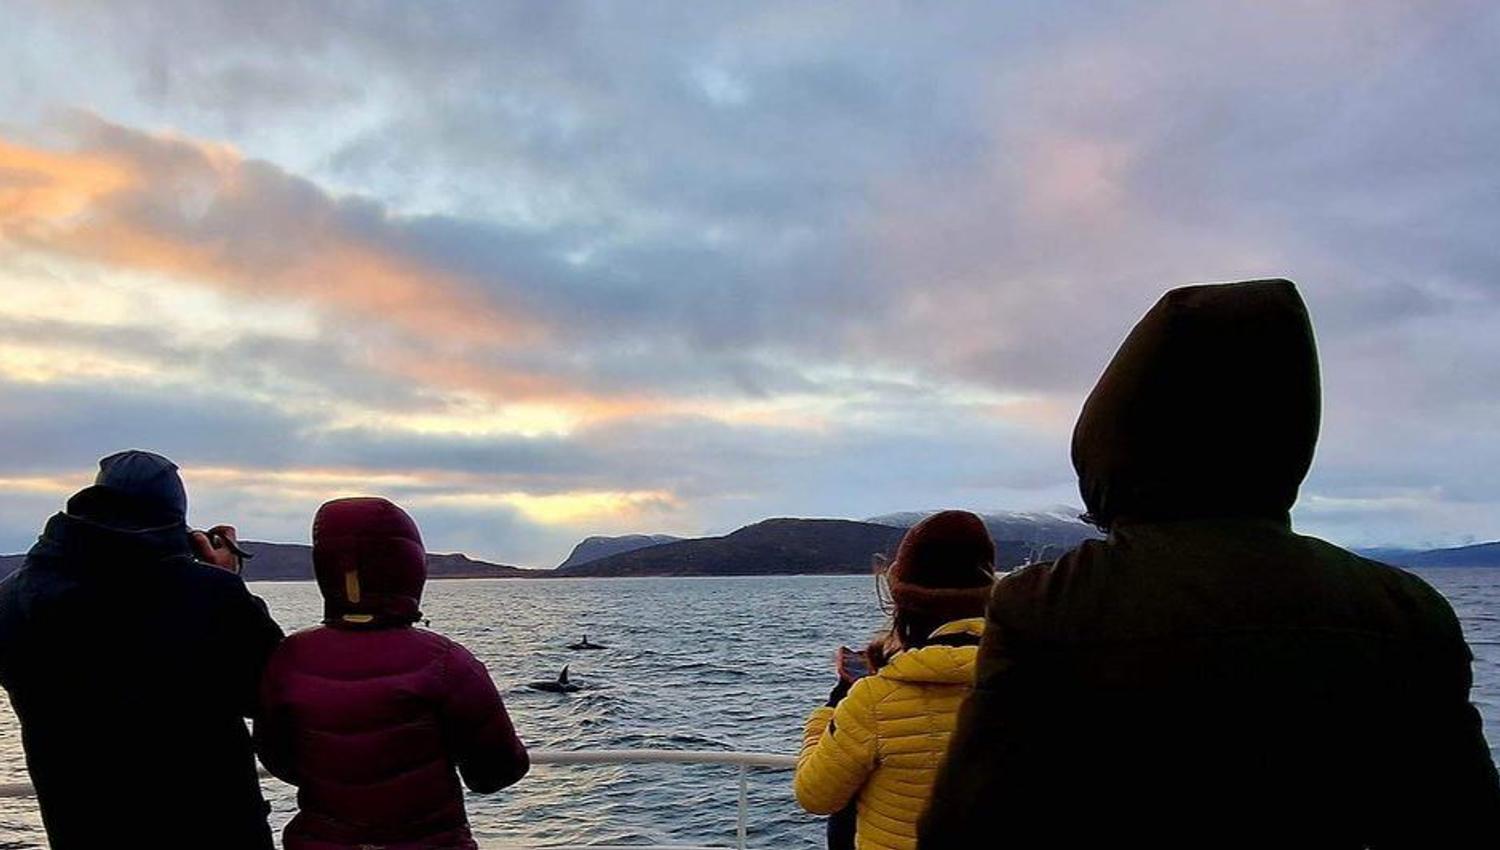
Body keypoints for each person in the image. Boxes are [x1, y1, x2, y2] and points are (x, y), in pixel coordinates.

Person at [919, 279, 1500, 847]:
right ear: (1290, 434)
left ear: (1112, 434)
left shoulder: (1050, 607)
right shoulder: (1409, 614)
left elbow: (966, 827)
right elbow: (1464, 819)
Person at [0, 449, 284, 849]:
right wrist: (225, 582)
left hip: (82, 828)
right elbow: (267, 692)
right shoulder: (210, 596)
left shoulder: (13, 598)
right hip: (214, 826)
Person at [256, 496, 529, 850]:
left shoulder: (288, 657)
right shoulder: (447, 661)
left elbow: (277, 758)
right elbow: (496, 773)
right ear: (410, 566)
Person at [794, 510, 996, 850]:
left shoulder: (874, 698)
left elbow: (815, 795)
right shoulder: (1044, 683)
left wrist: (833, 708)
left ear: (901, 604)